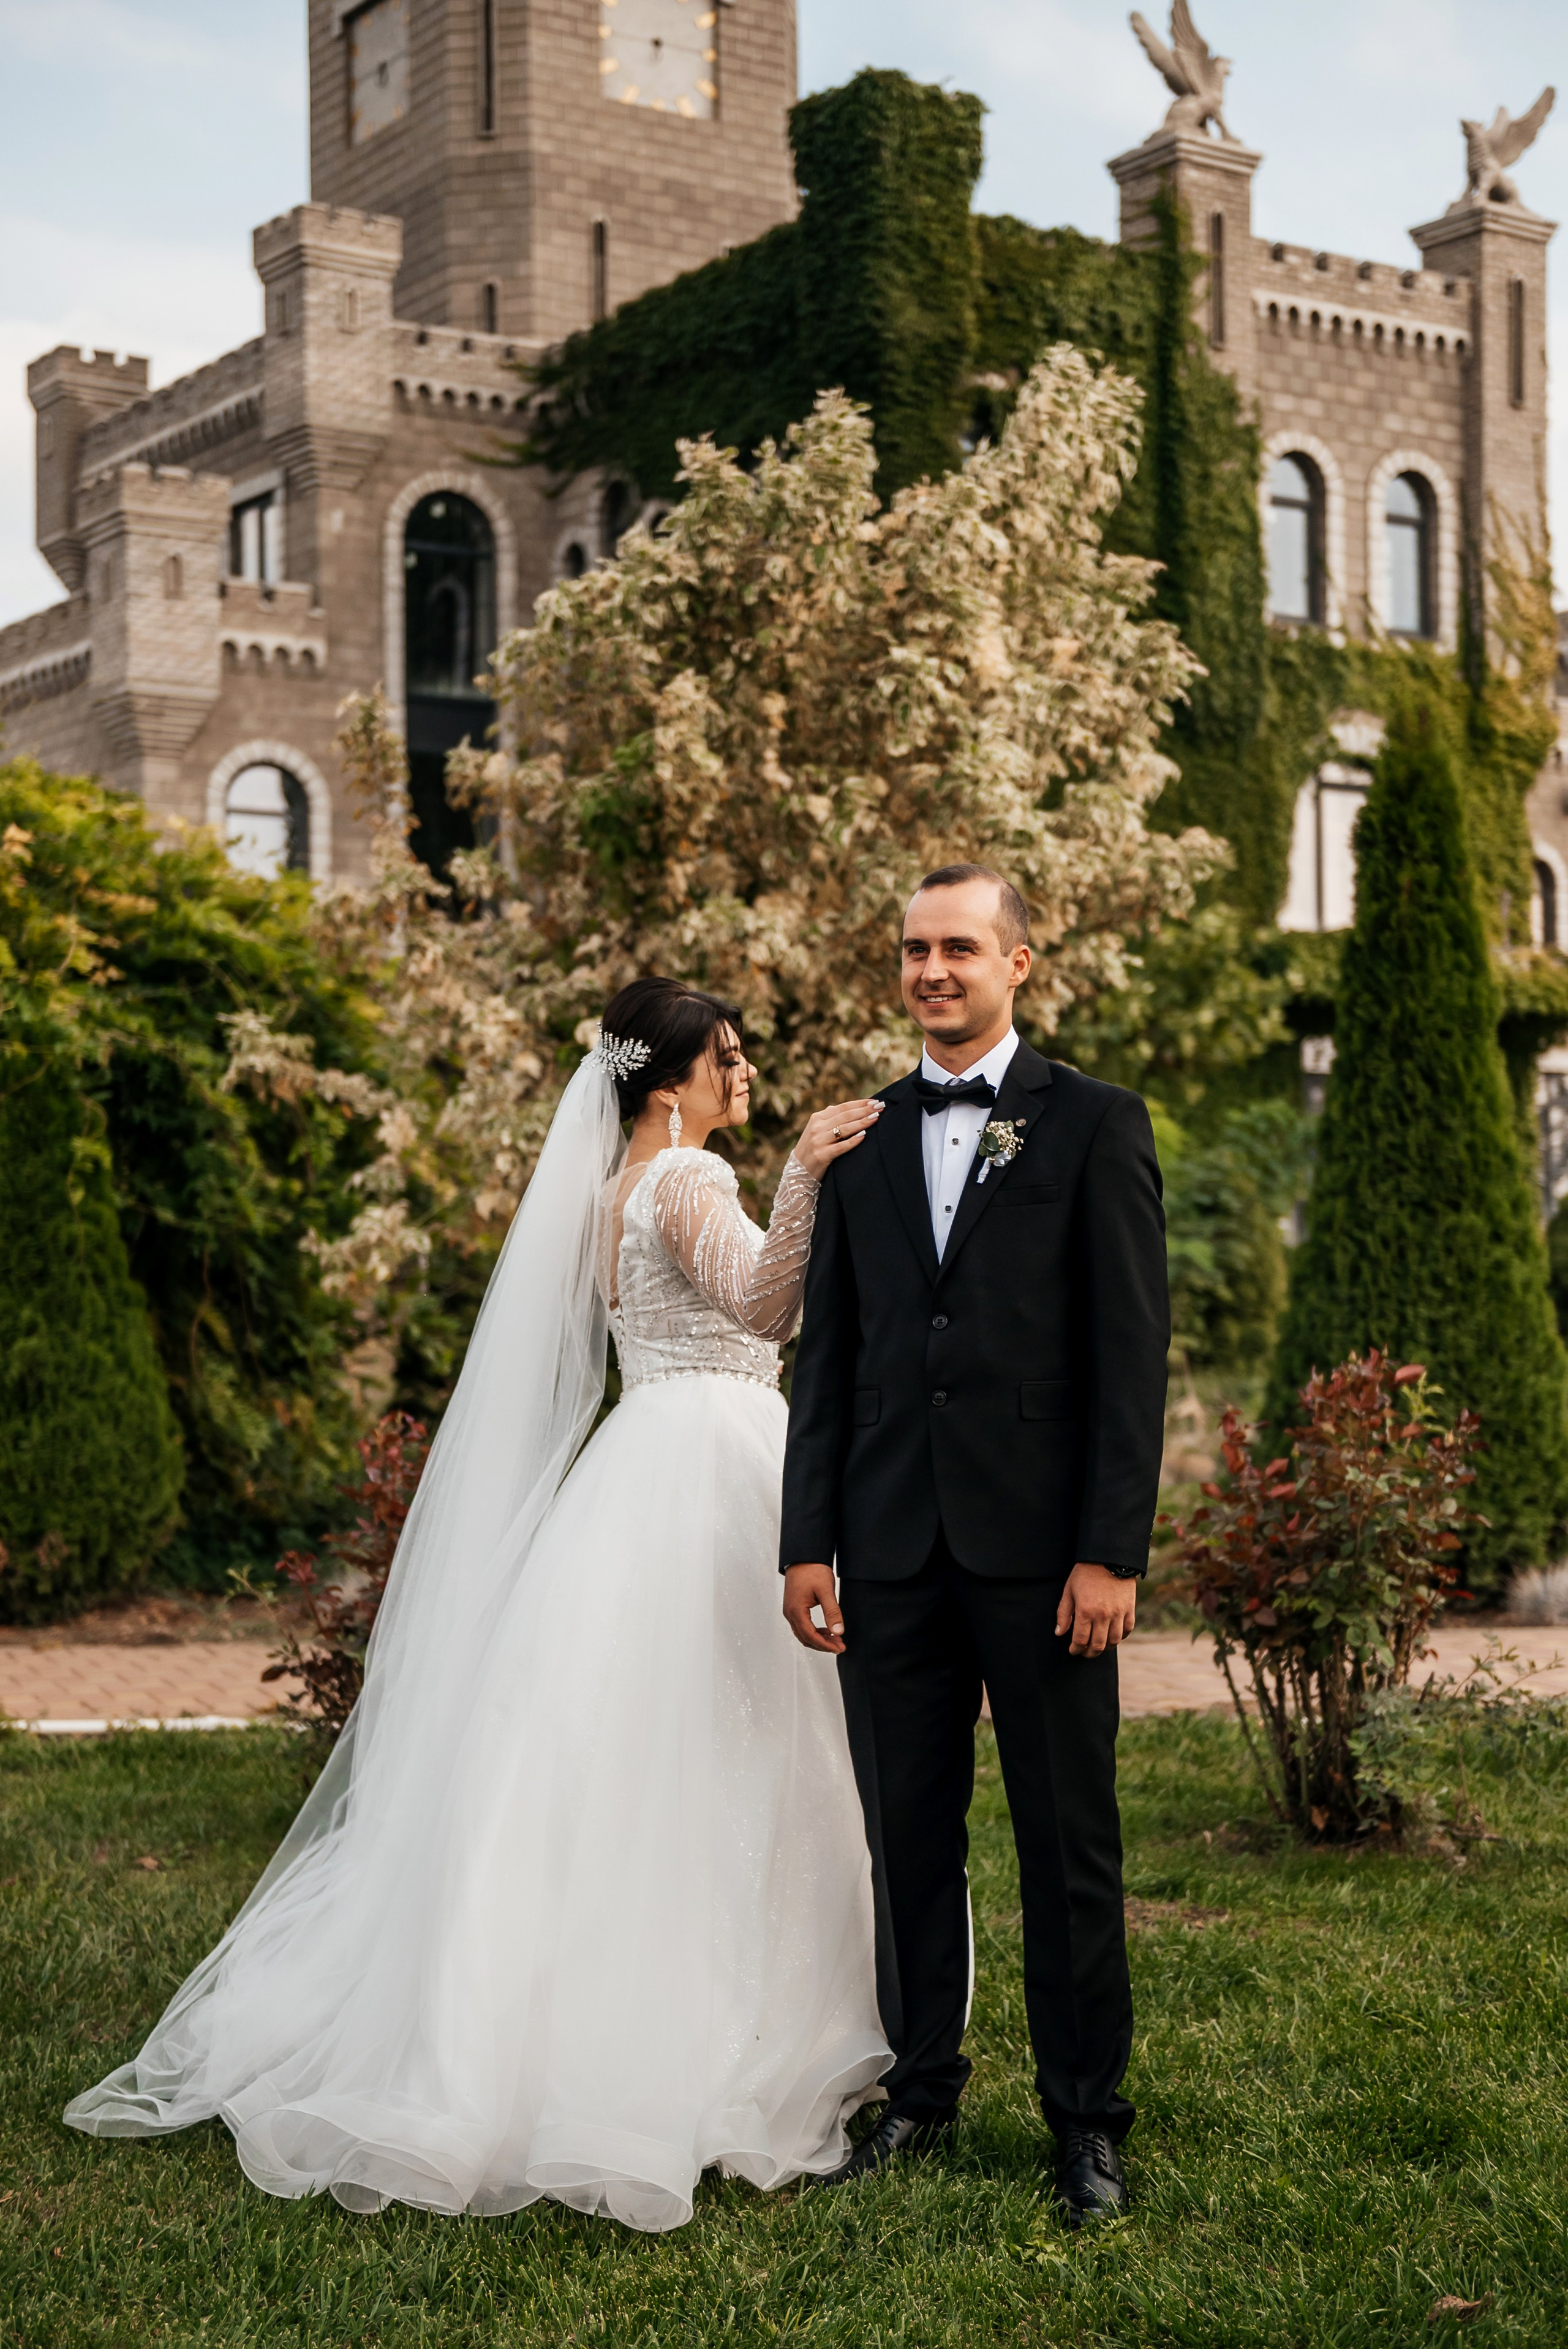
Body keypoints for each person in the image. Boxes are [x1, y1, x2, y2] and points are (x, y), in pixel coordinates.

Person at [66, 979, 892, 2234]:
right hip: (714, 1468)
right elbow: (763, 1308)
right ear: (667, 1080)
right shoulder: (684, 1181)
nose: (746, 1077)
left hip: (643, 1462)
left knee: (624, 1756)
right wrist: (800, 1176)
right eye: (727, 1059)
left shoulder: (602, 1191)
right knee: (725, 1744)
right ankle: (709, 2040)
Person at [780, 864, 1169, 2224]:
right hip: (886, 1549)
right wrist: (806, 1537)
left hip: (1045, 1558)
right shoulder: (861, 1136)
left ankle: (1085, 2124)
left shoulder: (1094, 1125)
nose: (930, 970)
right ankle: (922, 2091)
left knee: (1069, 1842)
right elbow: (829, 1355)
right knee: (905, 1836)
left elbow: (1131, 1358)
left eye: (957, 947)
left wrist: (1108, 1550)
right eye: (911, 950)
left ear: (1018, 960)